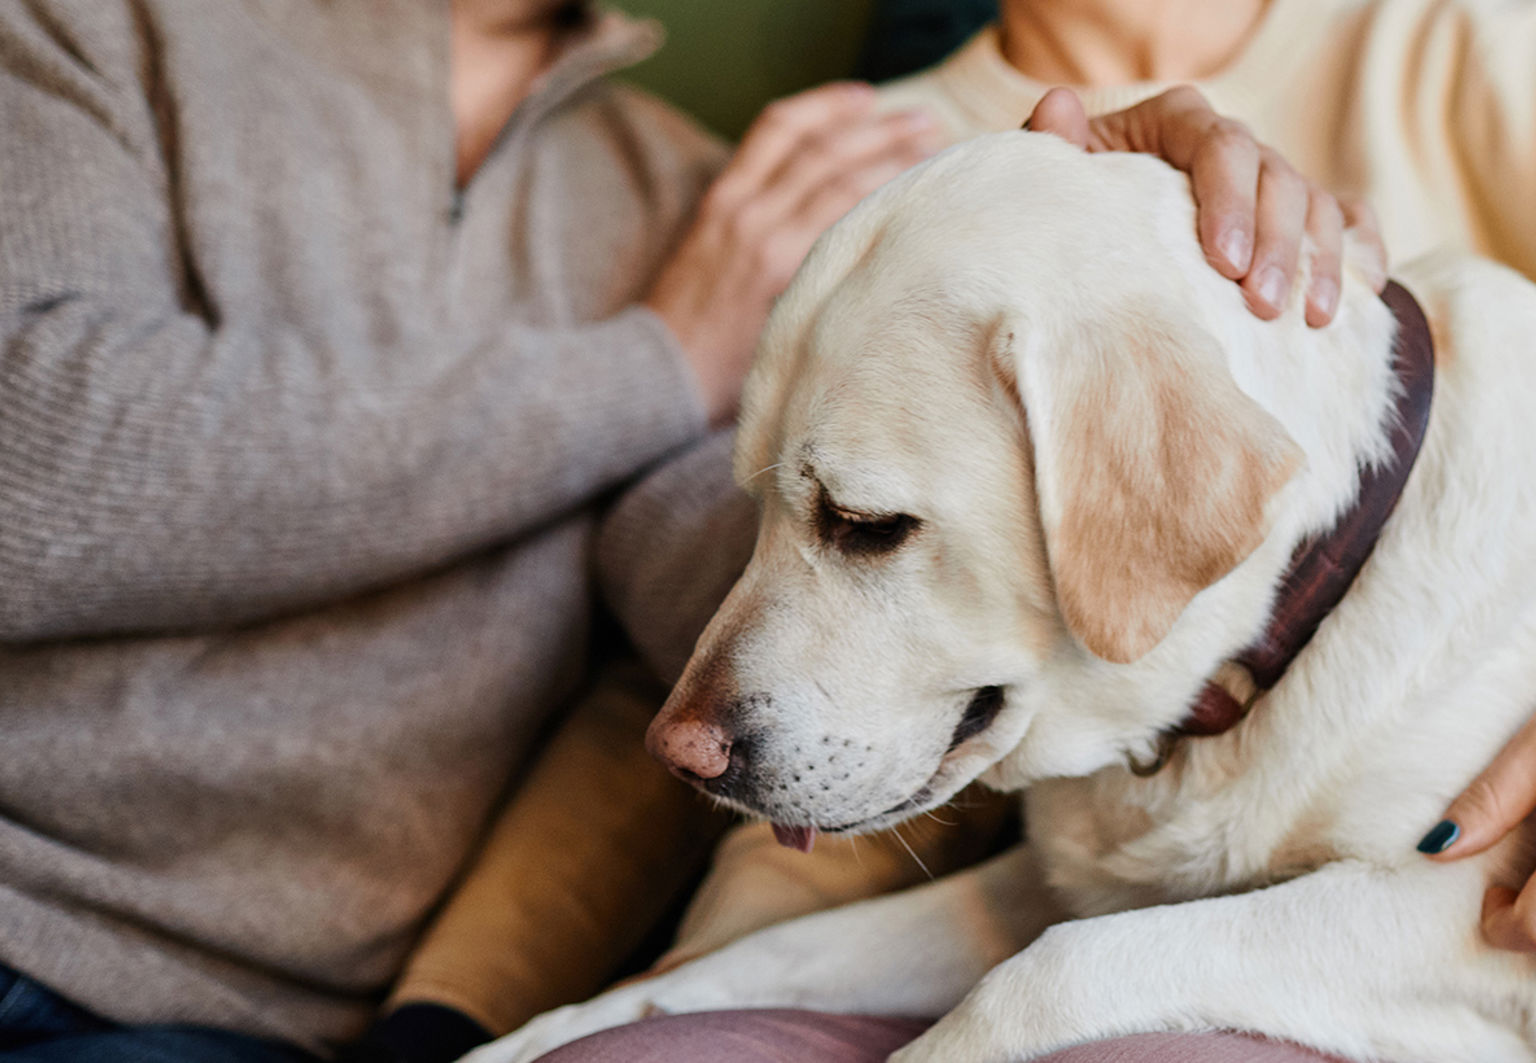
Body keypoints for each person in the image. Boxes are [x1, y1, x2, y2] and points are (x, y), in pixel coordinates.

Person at [552, 0, 1535, 1058]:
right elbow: (659, 541)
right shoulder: (857, 164)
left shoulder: (1470, 37)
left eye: (870, 525)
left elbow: (1472, 940)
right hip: (991, 866)